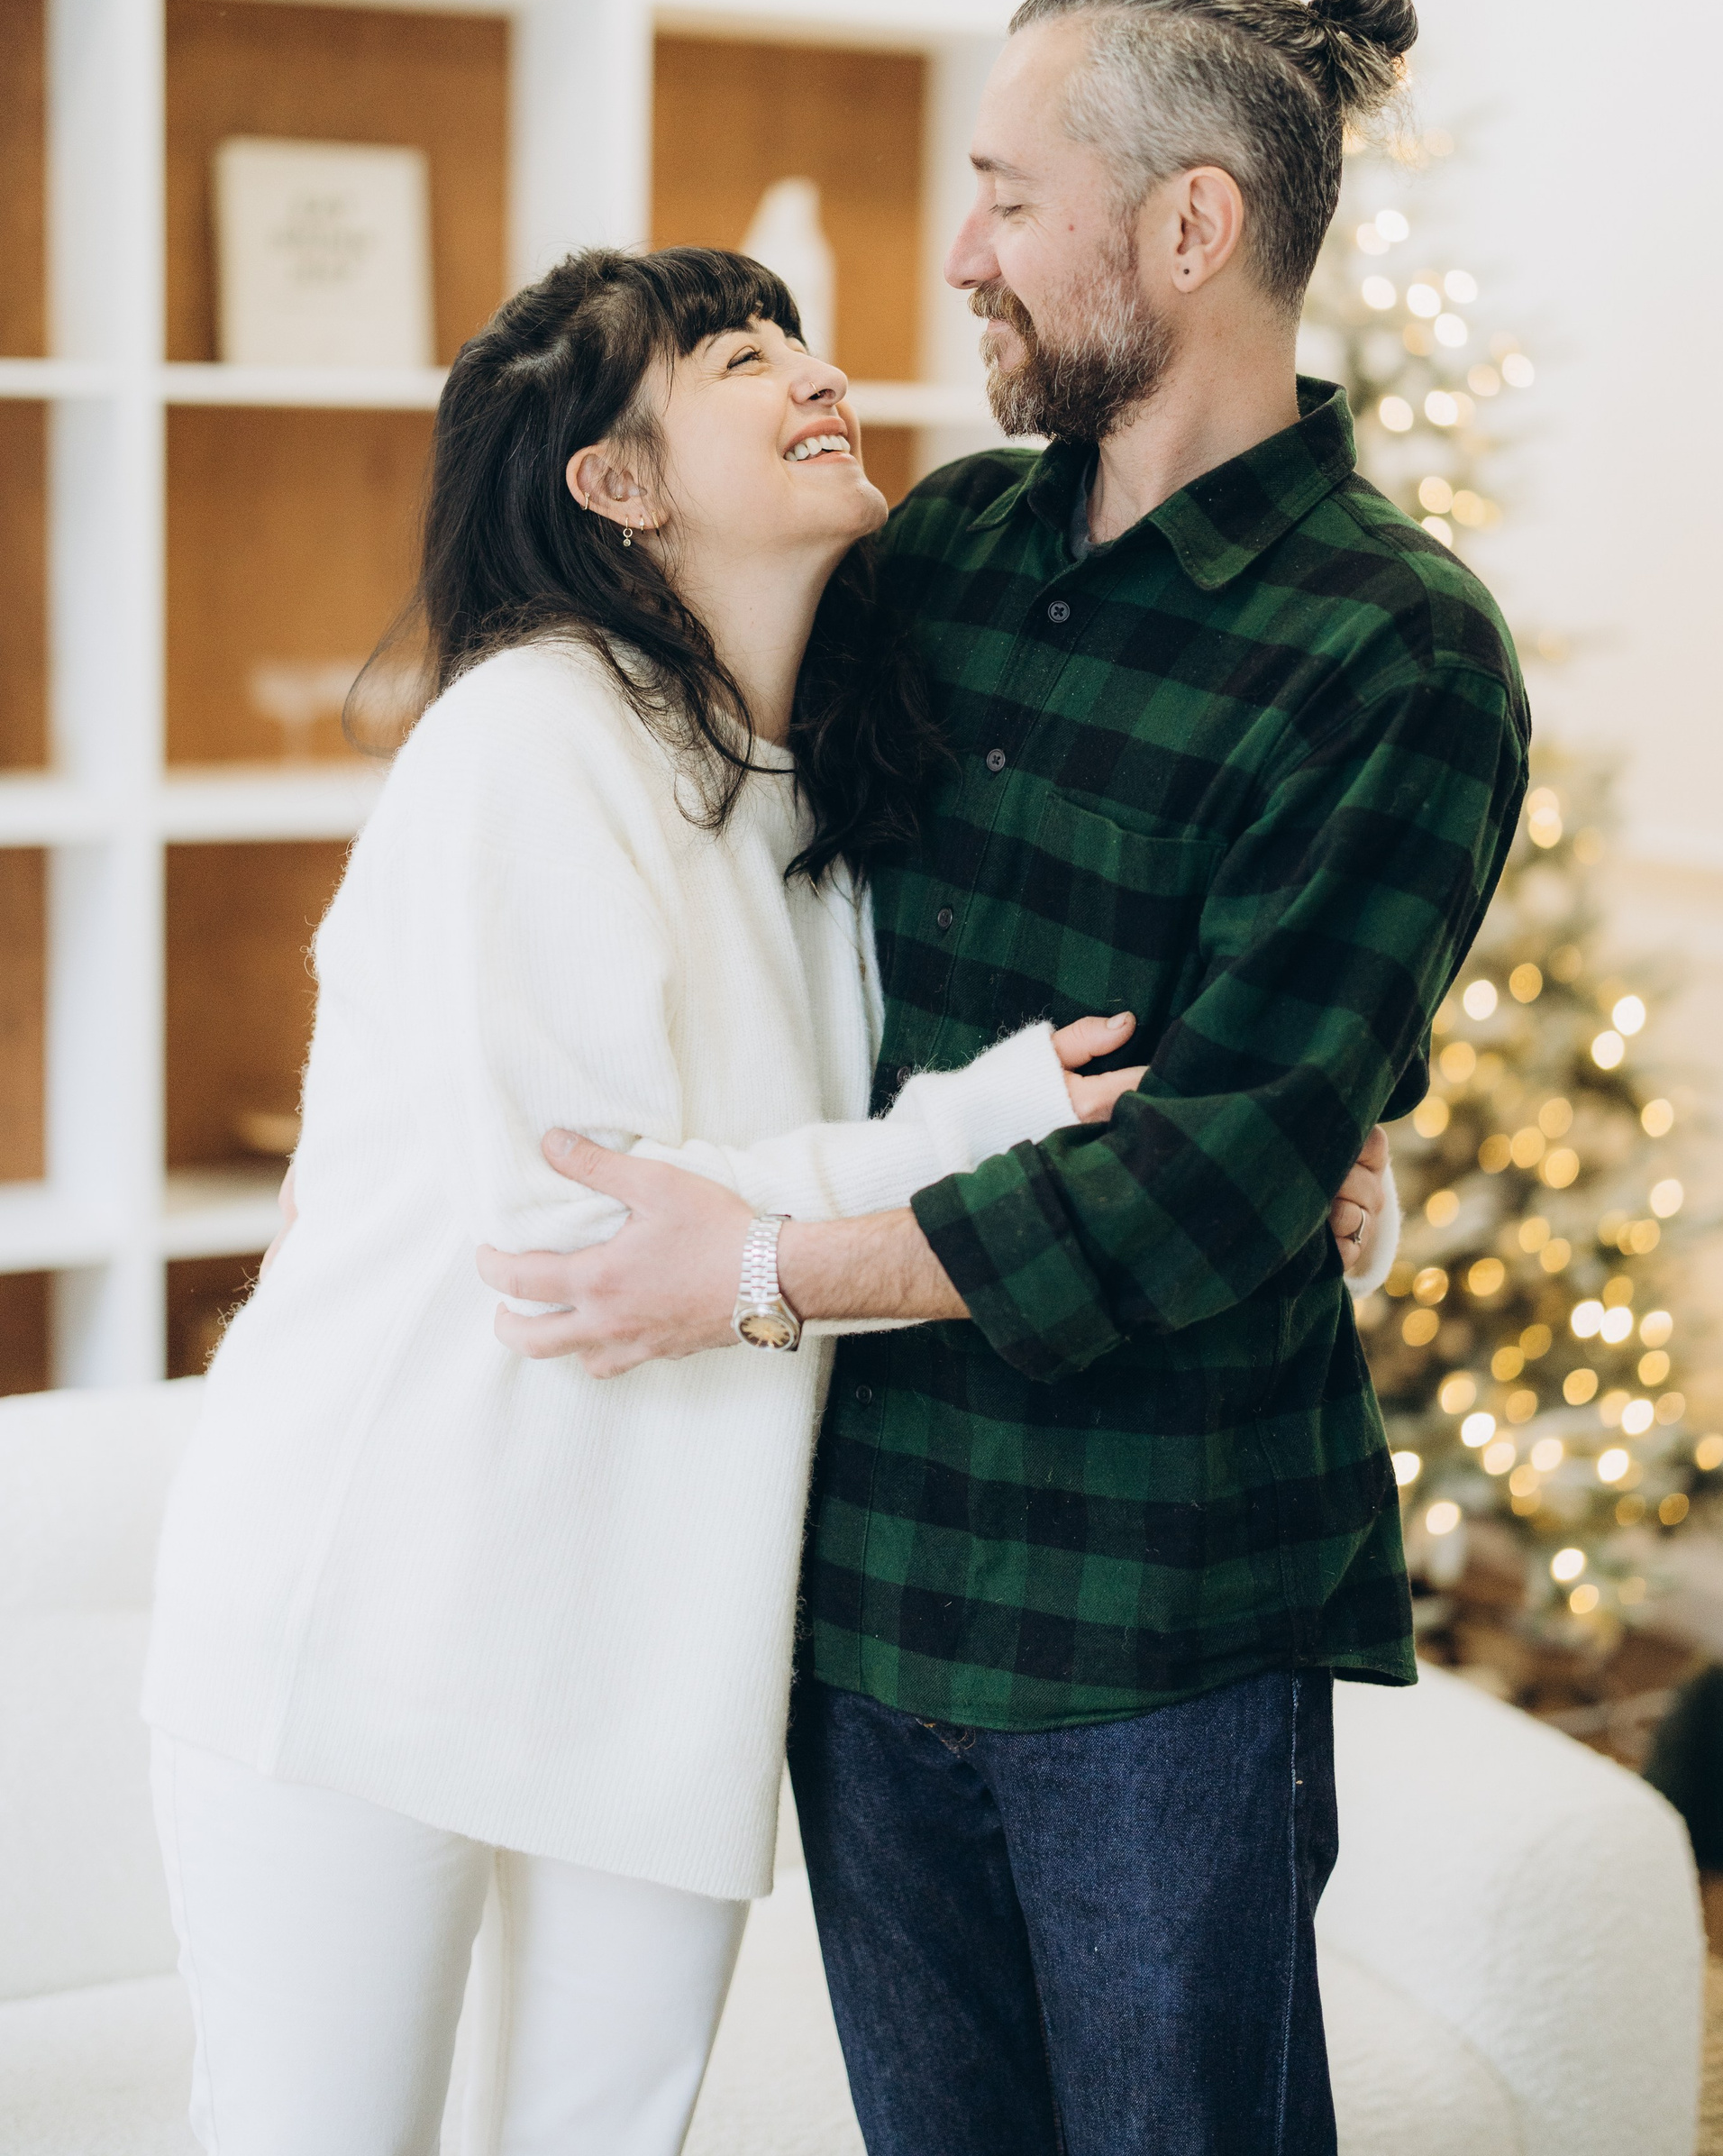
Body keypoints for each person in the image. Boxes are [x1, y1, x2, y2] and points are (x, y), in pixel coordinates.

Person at [144, 241, 1398, 2156]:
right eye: (737, 358)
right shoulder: (526, 735)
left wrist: (1293, 1145)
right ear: (617, 483)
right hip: (367, 1599)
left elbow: (985, 1093)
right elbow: (585, 1232)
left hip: (663, 1639)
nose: (814, 372)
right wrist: (990, 1120)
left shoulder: (813, 790)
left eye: (797, 336)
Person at [482, 0, 1530, 2156]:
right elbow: (734, 848)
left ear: (1190, 227)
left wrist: (756, 1271)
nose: (959, 256)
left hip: (1159, 1618)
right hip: (863, 1588)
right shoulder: (944, 547)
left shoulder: (1398, 649)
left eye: (1008, 196)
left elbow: (1212, 1176)